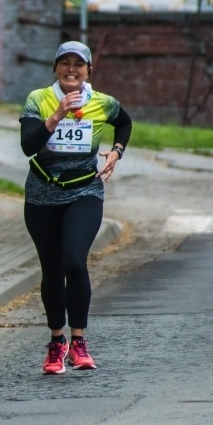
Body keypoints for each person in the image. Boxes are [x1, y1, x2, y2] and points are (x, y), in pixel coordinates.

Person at [19, 41, 133, 375]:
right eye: (64, 63)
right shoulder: (38, 99)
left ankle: (79, 341)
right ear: (55, 69)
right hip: (42, 195)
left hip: (84, 190)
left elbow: (124, 123)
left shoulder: (102, 103)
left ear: (88, 71)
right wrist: (57, 114)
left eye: (78, 65)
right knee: (52, 268)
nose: (71, 70)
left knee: (73, 260)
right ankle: (57, 343)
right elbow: (28, 145)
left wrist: (116, 151)